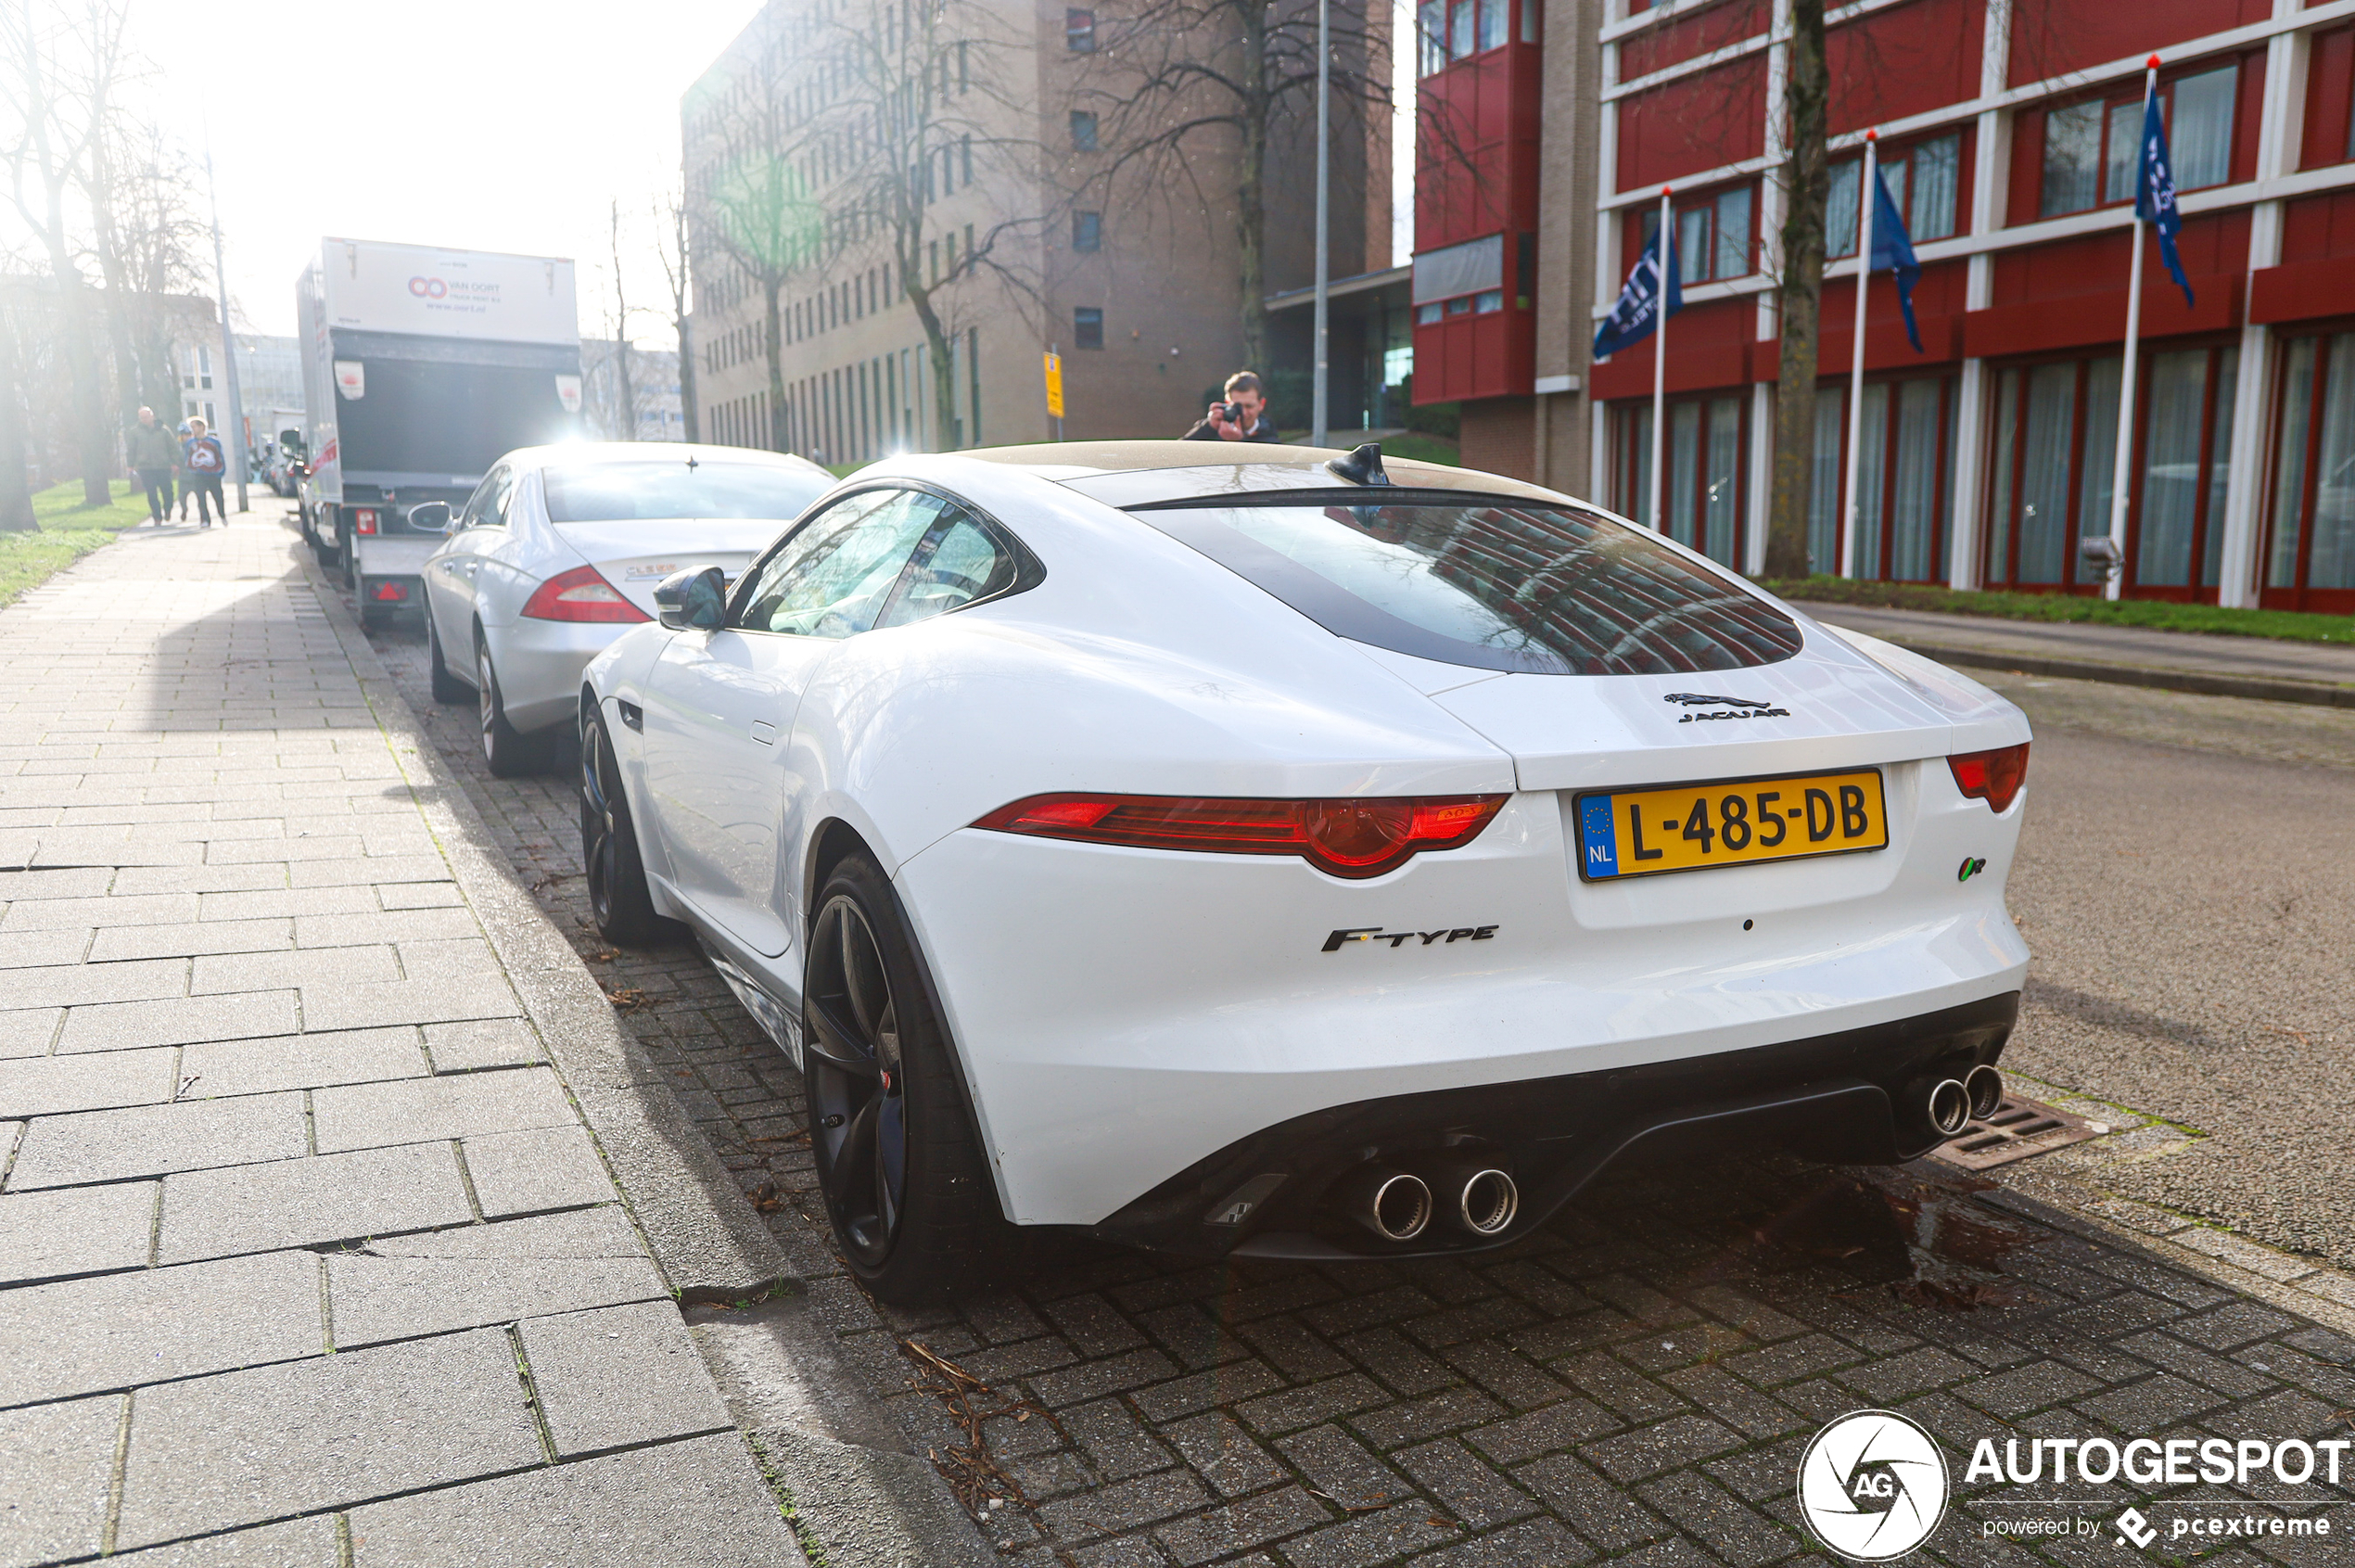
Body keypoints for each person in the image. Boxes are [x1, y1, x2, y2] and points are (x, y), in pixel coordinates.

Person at [1182, 371, 1281, 443]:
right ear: (1227, 403)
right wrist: (1209, 427)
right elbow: (1178, 453)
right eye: (1237, 406)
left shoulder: (1269, 436)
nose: (1244, 413)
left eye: (1249, 406)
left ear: (1261, 404)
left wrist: (1237, 442)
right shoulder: (1212, 428)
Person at [125, 407, 178, 524]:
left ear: (152, 416)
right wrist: (130, 465)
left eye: (146, 417)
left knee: (168, 491)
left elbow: (172, 447)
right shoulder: (135, 432)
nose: (144, 420)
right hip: (145, 468)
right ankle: (157, 517)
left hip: (163, 466)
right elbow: (131, 450)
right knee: (151, 493)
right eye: (141, 417)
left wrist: (174, 463)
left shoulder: (164, 431)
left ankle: (168, 510)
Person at [182, 416, 227, 528]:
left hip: (213, 474)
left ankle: (222, 515)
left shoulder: (213, 442)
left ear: (201, 427)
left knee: (218, 496)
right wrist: (191, 469)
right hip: (198, 474)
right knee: (200, 498)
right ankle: (205, 519)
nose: (192, 429)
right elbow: (188, 457)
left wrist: (220, 471)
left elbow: (219, 457)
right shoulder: (190, 443)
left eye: (194, 426)